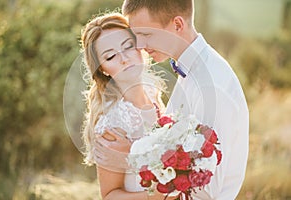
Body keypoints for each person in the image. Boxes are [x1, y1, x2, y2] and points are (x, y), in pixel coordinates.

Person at [95, 0, 249, 199]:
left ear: (177, 25)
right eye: (136, 36)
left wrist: (134, 154)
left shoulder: (211, 88)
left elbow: (205, 191)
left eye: (146, 34)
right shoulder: (190, 72)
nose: (139, 46)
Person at [80, 13, 178, 200]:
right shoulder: (112, 125)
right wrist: (155, 196)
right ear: (102, 68)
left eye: (128, 47)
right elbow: (109, 195)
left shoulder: (152, 94)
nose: (124, 59)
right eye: (110, 56)